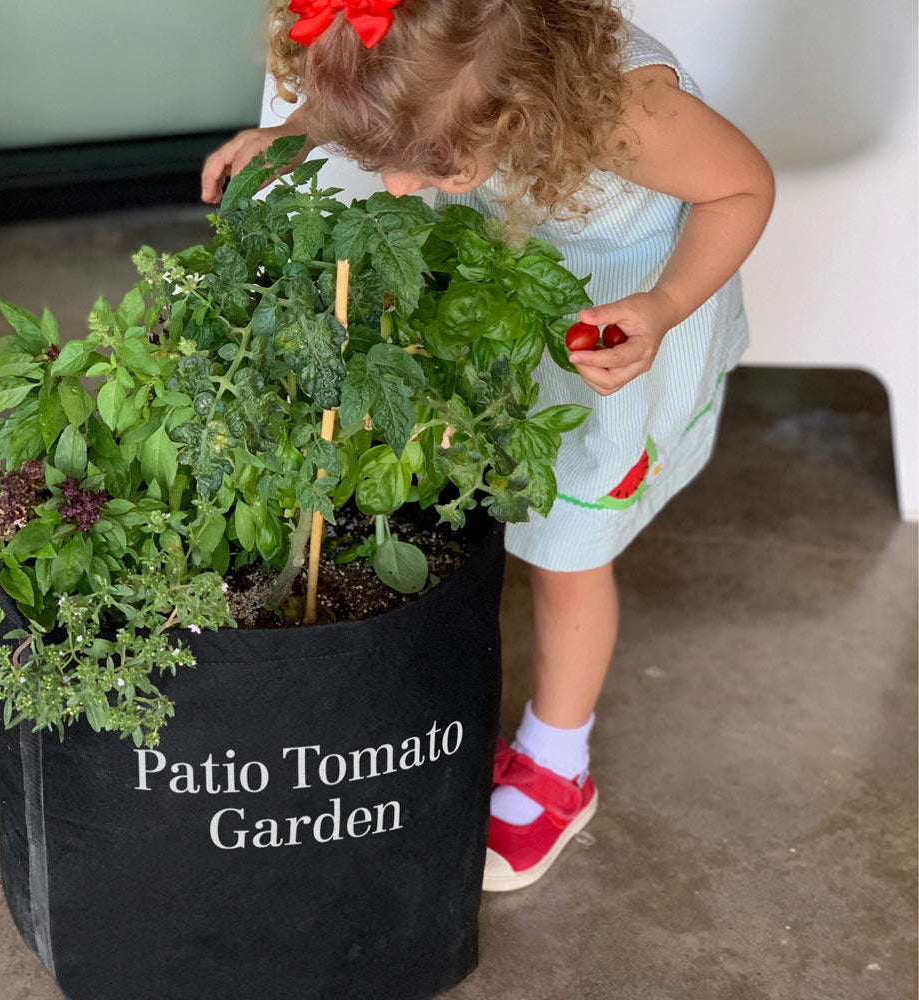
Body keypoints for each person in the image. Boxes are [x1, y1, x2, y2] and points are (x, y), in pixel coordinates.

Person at [201, 0, 774, 892]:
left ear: (516, 112)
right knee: (499, 470)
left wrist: (660, 309)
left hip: (612, 330)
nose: (395, 192)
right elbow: (374, 84)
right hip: (514, 299)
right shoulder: (431, 56)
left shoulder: (632, 117)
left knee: (567, 546)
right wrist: (292, 135)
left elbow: (744, 187)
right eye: (375, 160)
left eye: (427, 166)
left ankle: (558, 760)